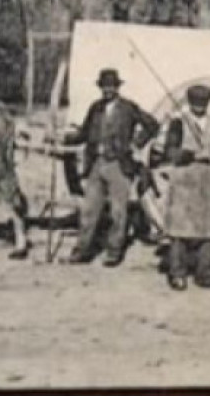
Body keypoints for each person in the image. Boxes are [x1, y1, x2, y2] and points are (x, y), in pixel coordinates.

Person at [68, 68, 159, 266]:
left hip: (119, 165)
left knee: (119, 211)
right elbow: (84, 134)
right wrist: (66, 138)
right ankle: (82, 251)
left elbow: (152, 125)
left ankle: (113, 252)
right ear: (100, 88)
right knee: (89, 210)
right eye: (104, 86)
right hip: (96, 164)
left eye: (111, 86)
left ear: (118, 87)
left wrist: (137, 143)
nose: (108, 90)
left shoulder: (128, 108)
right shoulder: (95, 108)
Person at [162, 84, 210, 290]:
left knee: (208, 227)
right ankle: (177, 273)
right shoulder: (178, 124)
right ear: (189, 103)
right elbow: (169, 151)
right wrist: (188, 155)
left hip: (207, 178)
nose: (199, 108)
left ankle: (205, 272)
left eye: (202, 104)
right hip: (183, 178)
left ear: (208, 104)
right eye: (195, 104)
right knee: (180, 227)